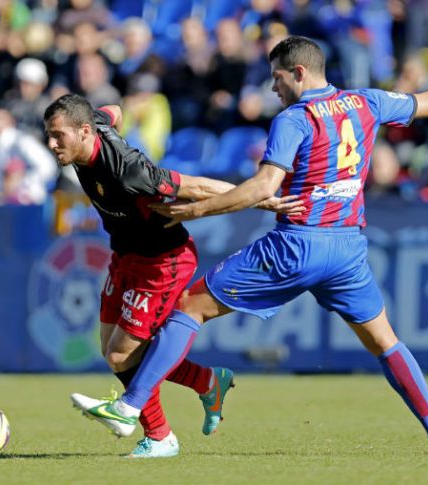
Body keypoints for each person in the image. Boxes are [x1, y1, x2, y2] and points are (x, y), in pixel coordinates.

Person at [71, 32, 428, 455]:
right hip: (347, 250)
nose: (273, 89)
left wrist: (199, 210)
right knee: (385, 342)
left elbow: (264, 186)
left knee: (189, 307)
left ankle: (129, 407)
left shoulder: (294, 119)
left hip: (296, 246)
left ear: (299, 73)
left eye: (277, 79)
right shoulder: (367, 101)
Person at [43, 94, 302, 458]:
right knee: (112, 350)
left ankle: (161, 437)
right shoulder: (92, 126)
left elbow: (195, 185)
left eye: (58, 136)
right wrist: (119, 112)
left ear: (85, 131)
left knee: (121, 357)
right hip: (126, 254)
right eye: (49, 136)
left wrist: (259, 197)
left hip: (163, 261)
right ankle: (208, 382)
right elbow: (113, 111)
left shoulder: (128, 169)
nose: (52, 144)